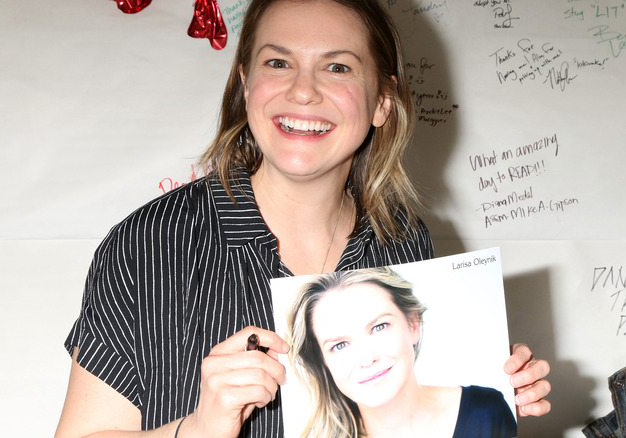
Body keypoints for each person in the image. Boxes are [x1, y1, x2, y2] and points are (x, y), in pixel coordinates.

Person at [54, 0, 551, 437]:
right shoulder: (149, 244)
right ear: (246, 83)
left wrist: (493, 401)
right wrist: (200, 430)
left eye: (337, 68)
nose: (303, 91)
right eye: (278, 62)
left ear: (382, 101)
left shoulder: (402, 240)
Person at [286, 267, 517, 438]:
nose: (367, 359)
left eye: (379, 327)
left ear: (413, 325)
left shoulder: (486, 412)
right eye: (339, 345)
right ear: (322, 361)